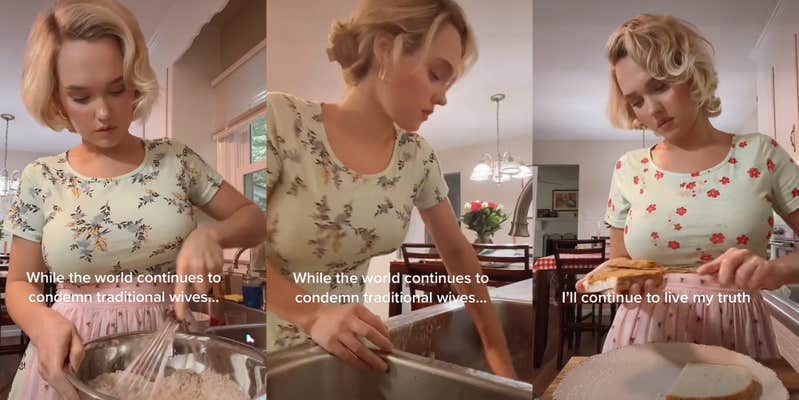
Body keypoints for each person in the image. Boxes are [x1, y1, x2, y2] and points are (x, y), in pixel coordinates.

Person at [5, 1, 267, 399]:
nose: (104, 113)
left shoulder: (176, 161)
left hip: (167, 355)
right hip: (69, 359)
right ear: (57, 99)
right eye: (81, 97)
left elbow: (254, 218)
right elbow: (21, 282)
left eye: (116, 89)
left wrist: (212, 237)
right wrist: (40, 320)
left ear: (135, 81)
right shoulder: (41, 179)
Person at [266, 0, 517, 378]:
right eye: (436, 74)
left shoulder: (417, 157)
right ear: (386, 50)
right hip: (270, 357)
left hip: (347, 356)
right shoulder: (283, 121)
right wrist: (314, 314)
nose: (443, 97)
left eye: (448, 84)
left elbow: (457, 252)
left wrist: (498, 355)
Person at [577, 13, 799, 360]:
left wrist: (776, 271)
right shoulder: (628, 168)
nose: (651, 110)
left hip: (737, 331)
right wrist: (616, 282)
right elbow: (620, 261)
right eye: (636, 100)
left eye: (660, 86)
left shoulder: (760, 153)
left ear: (692, 74)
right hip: (643, 335)